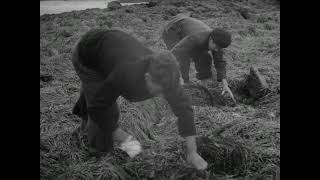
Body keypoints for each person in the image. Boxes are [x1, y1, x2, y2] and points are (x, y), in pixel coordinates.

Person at [71, 28, 208, 170]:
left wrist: (192, 152)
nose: (162, 95)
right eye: (159, 90)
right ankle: (97, 155)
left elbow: (185, 110)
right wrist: (125, 139)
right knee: (108, 112)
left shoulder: (167, 75)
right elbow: (98, 107)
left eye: (165, 91)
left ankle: (84, 122)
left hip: (109, 49)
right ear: (147, 77)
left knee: (98, 94)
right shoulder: (126, 73)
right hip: (86, 56)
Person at [162, 14, 236, 103]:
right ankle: (181, 86)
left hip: (189, 27)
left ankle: (204, 85)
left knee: (205, 57)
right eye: (216, 47)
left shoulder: (217, 41)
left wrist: (225, 85)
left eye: (219, 48)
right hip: (173, 30)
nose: (217, 50)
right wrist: (180, 77)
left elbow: (220, 62)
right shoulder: (195, 38)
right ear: (211, 40)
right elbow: (175, 54)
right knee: (184, 59)